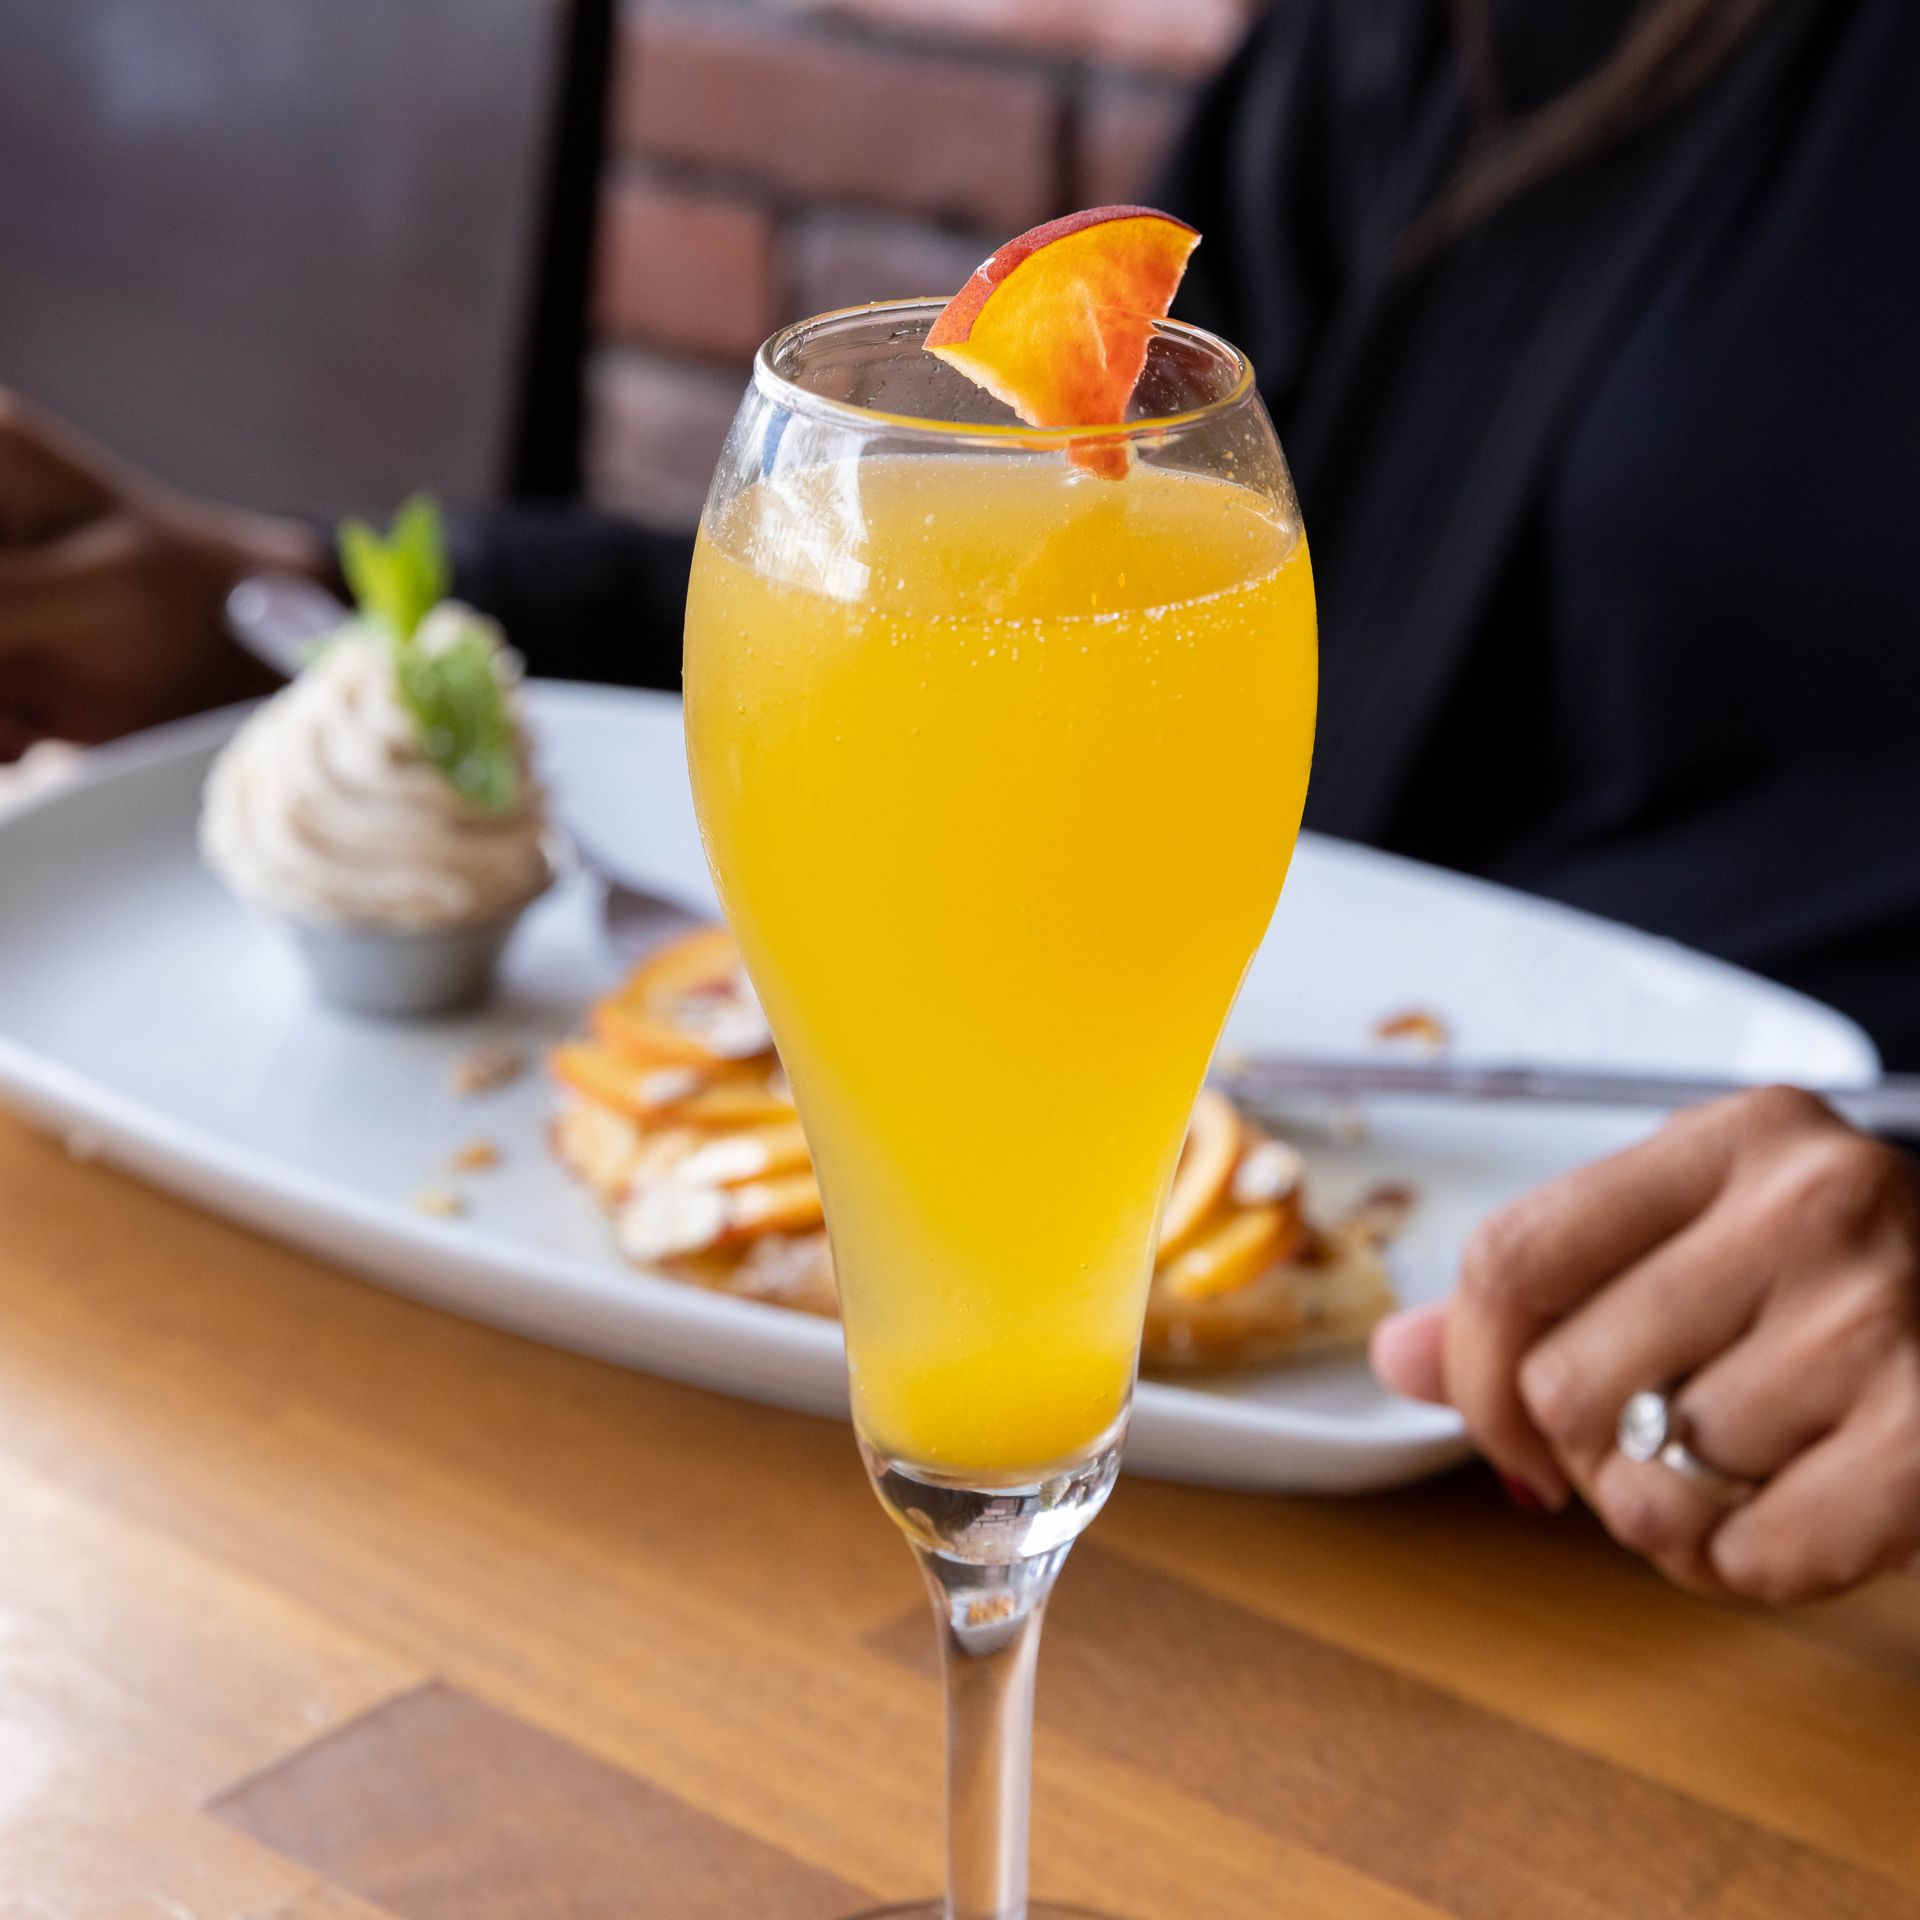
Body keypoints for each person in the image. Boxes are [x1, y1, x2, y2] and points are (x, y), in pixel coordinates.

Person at [0, 0, 1915, 1600]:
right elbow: (970, 588)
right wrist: (315, 620)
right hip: (1291, 1509)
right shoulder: (1427, 36)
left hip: (1716, 1583)